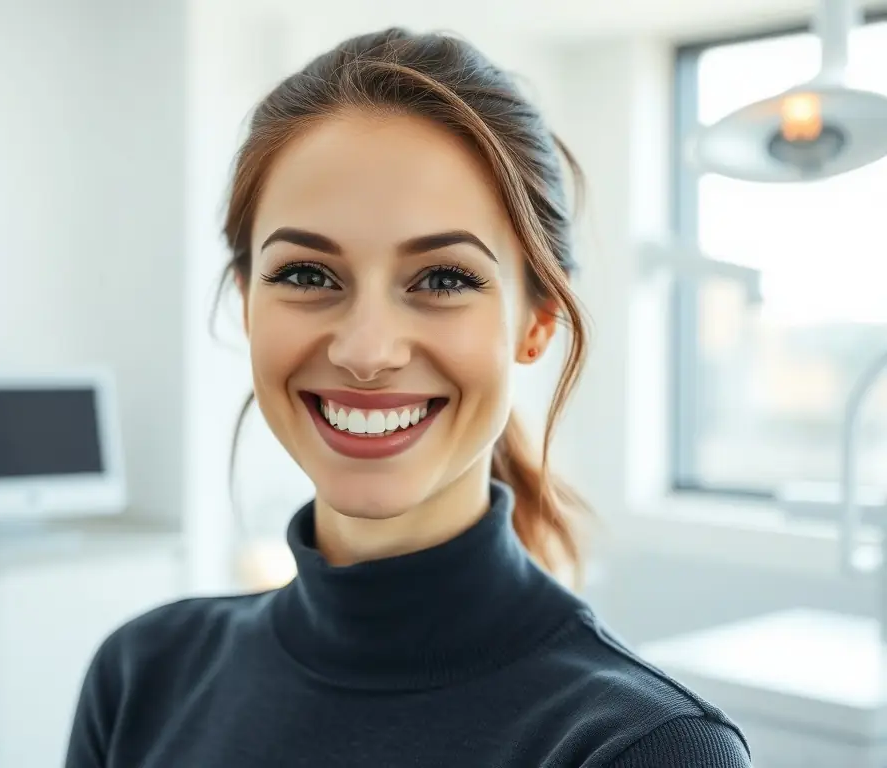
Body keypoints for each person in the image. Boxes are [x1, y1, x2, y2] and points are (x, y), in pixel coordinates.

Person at [65, 28, 751, 768]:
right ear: (247, 302)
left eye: (443, 279)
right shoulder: (141, 675)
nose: (366, 351)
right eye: (306, 275)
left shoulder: (643, 749)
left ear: (536, 322)